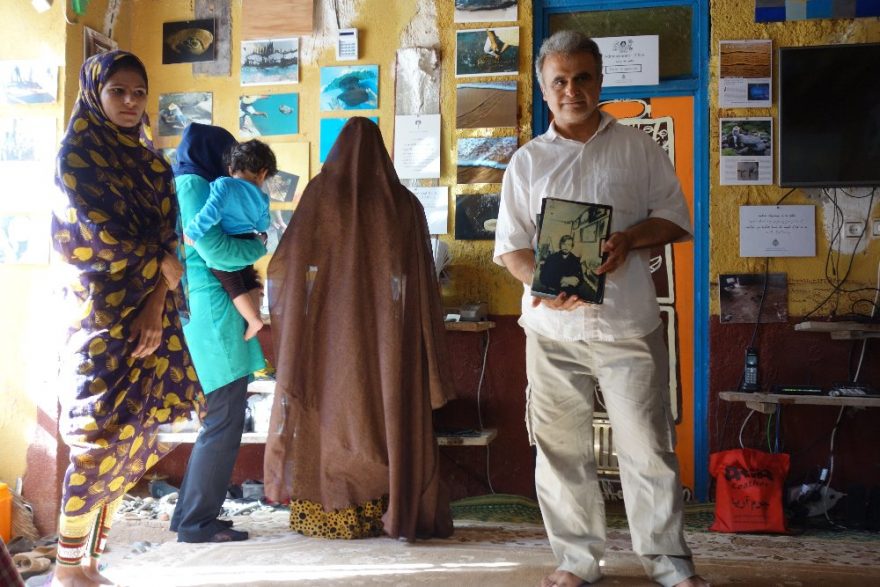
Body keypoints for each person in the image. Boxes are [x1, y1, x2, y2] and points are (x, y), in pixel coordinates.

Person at [493, 31, 709, 587]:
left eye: (583, 78)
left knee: (649, 449)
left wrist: (630, 239)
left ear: (600, 81)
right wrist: (541, 282)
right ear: (545, 90)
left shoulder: (639, 147)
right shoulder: (527, 162)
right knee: (561, 452)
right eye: (560, 81)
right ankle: (576, 562)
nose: (573, 90)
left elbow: (675, 218)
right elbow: (511, 248)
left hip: (626, 325)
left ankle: (668, 564)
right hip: (551, 330)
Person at [51, 50, 205, 587]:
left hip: (149, 316)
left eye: (139, 93)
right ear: (95, 92)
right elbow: (90, 237)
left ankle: (92, 564)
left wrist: (156, 304)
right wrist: (155, 261)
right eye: (118, 90)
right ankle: (66, 567)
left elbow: (170, 248)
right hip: (95, 317)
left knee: (132, 435)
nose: (130, 101)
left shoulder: (153, 166)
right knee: (96, 438)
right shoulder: (75, 159)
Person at [263, 116, 455, 541]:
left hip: (329, 329)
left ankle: (333, 508)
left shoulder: (321, 194)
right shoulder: (402, 203)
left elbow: (289, 263)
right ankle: (389, 505)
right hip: (390, 332)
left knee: (334, 410)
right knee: (383, 411)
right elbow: (419, 280)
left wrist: (306, 313)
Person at [169, 123, 269, 544]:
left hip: (213, 308)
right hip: (212, 309)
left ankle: (188, 516)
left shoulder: (197, 183)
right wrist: (259, 246)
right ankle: (197, 523)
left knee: (221, 417)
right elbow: (215, 251)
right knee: (224, 419)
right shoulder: (193, 184)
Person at [184, 139, 276, 341]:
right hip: (248, 239)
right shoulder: (262, 198)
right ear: (262, 173)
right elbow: (262, 225)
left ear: (231, 168)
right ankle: (255, 315)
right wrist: (259, 234)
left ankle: (253, 320)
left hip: (229, 240)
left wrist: (193, 231)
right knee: (249, 279)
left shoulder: (224, 185)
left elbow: (211, 211)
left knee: (233, 284)